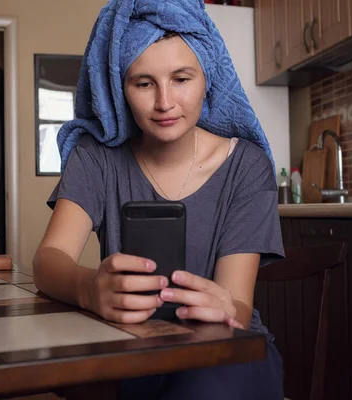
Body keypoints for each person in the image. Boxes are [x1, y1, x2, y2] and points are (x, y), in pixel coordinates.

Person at [33, 0, 285, 398]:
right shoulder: (95, 158)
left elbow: (237, 306)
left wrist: (221, 307)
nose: (164, 102)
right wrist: (89, 288)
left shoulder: (247, 166)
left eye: (181, 79)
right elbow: (48, 261)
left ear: (208, 77)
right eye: (144, 83)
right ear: (121, 88)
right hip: (133, 352)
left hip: (230, 354)